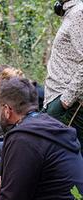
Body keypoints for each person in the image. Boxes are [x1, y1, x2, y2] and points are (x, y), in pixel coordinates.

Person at [44, 0, 83, 154]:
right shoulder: (71, 13)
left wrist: (66, 100)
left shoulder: (79, 12)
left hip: (68, 102)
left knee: (65, 159)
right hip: (58, 98)